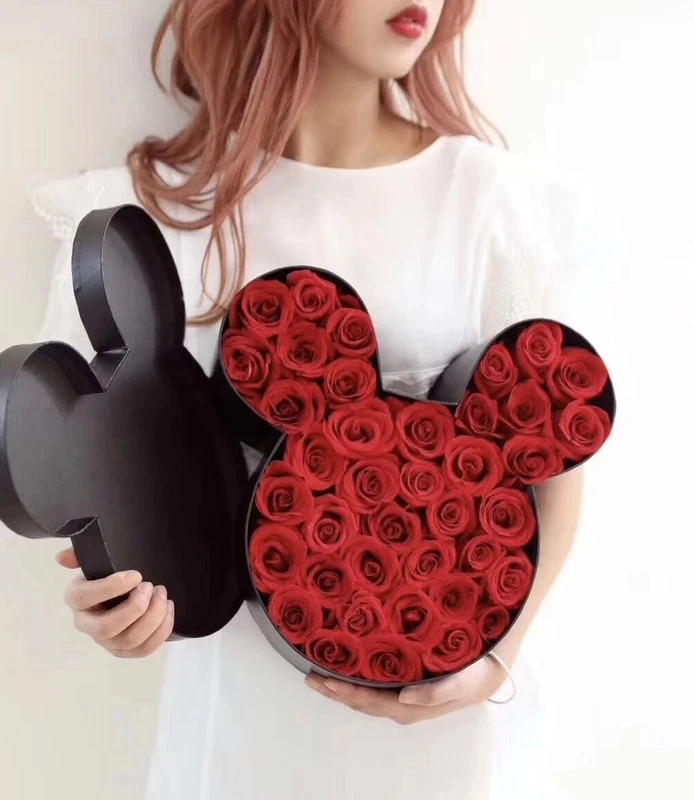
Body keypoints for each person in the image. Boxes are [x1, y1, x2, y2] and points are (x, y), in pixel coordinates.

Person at [34, 1, 592, 798]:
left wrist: (497, 659)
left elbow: (552, 465)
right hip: (238, 731)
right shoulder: (163, 210)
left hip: (436, 722)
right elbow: (103, 478)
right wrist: (114, 604)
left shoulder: (491, 204)